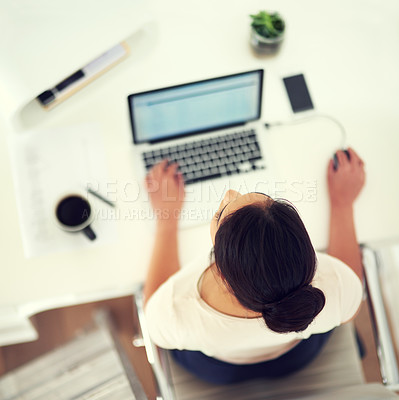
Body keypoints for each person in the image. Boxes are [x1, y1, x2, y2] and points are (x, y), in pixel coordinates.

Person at [143, 148, 366, 384]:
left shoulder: (174, 310)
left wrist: (166, 219)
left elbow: (153, 315)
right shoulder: (338, 287)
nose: (230, 192)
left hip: (221, 370)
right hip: (295, 356)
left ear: (222, 275)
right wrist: (342, 204)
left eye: (221, 215)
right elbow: (349, 301)